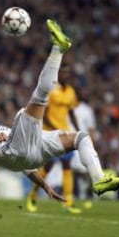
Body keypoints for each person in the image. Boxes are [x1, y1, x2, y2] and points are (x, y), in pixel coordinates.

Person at [0, 19, 119, 206]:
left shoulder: (1, 130)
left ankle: (99, 180)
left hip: (31, 154)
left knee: (81, 137)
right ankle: (58, 49)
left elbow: (25, 165)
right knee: (31, 104)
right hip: (19, 150)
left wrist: (45, 186)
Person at [26, 63, 82, 214]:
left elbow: (71, 112)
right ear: (58, 75)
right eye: (63, 73)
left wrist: (77, 130)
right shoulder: (52, 90)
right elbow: (43, 113)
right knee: (48, 167)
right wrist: (56, 129)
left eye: (68, 73)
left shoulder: (70, 91)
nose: (66, 76)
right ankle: (32, 196)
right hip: (49, 133)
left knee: (67, 165)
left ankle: (68, 203)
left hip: (63, 133)